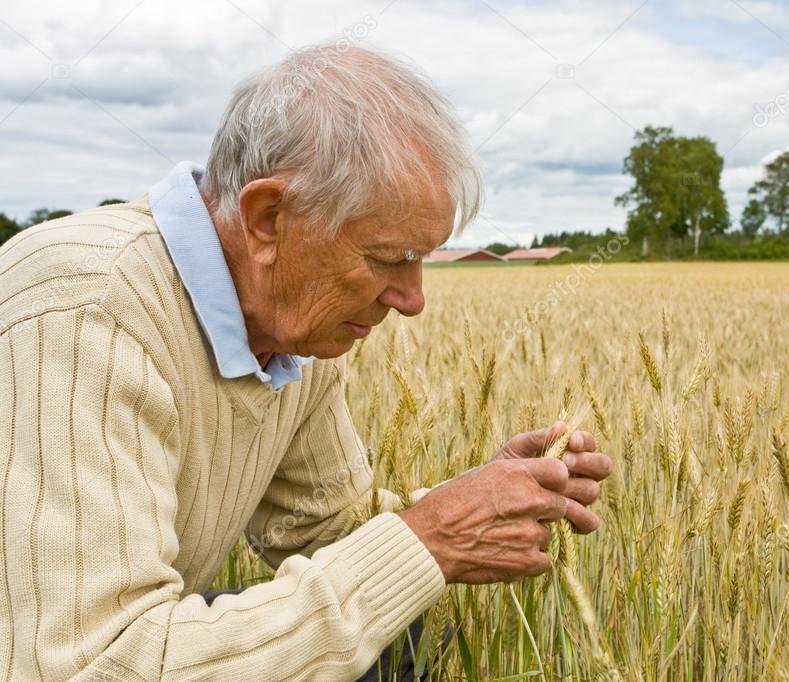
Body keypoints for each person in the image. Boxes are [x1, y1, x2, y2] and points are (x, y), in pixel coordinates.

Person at [0, 43, 611, 680]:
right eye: (388, 257)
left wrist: (474, 503)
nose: (413, 299)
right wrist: (430, 538)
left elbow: (326, 529)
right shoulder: (85, 305)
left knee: (398, 627)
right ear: (267, 219)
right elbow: (89, 665)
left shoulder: (291, 332)